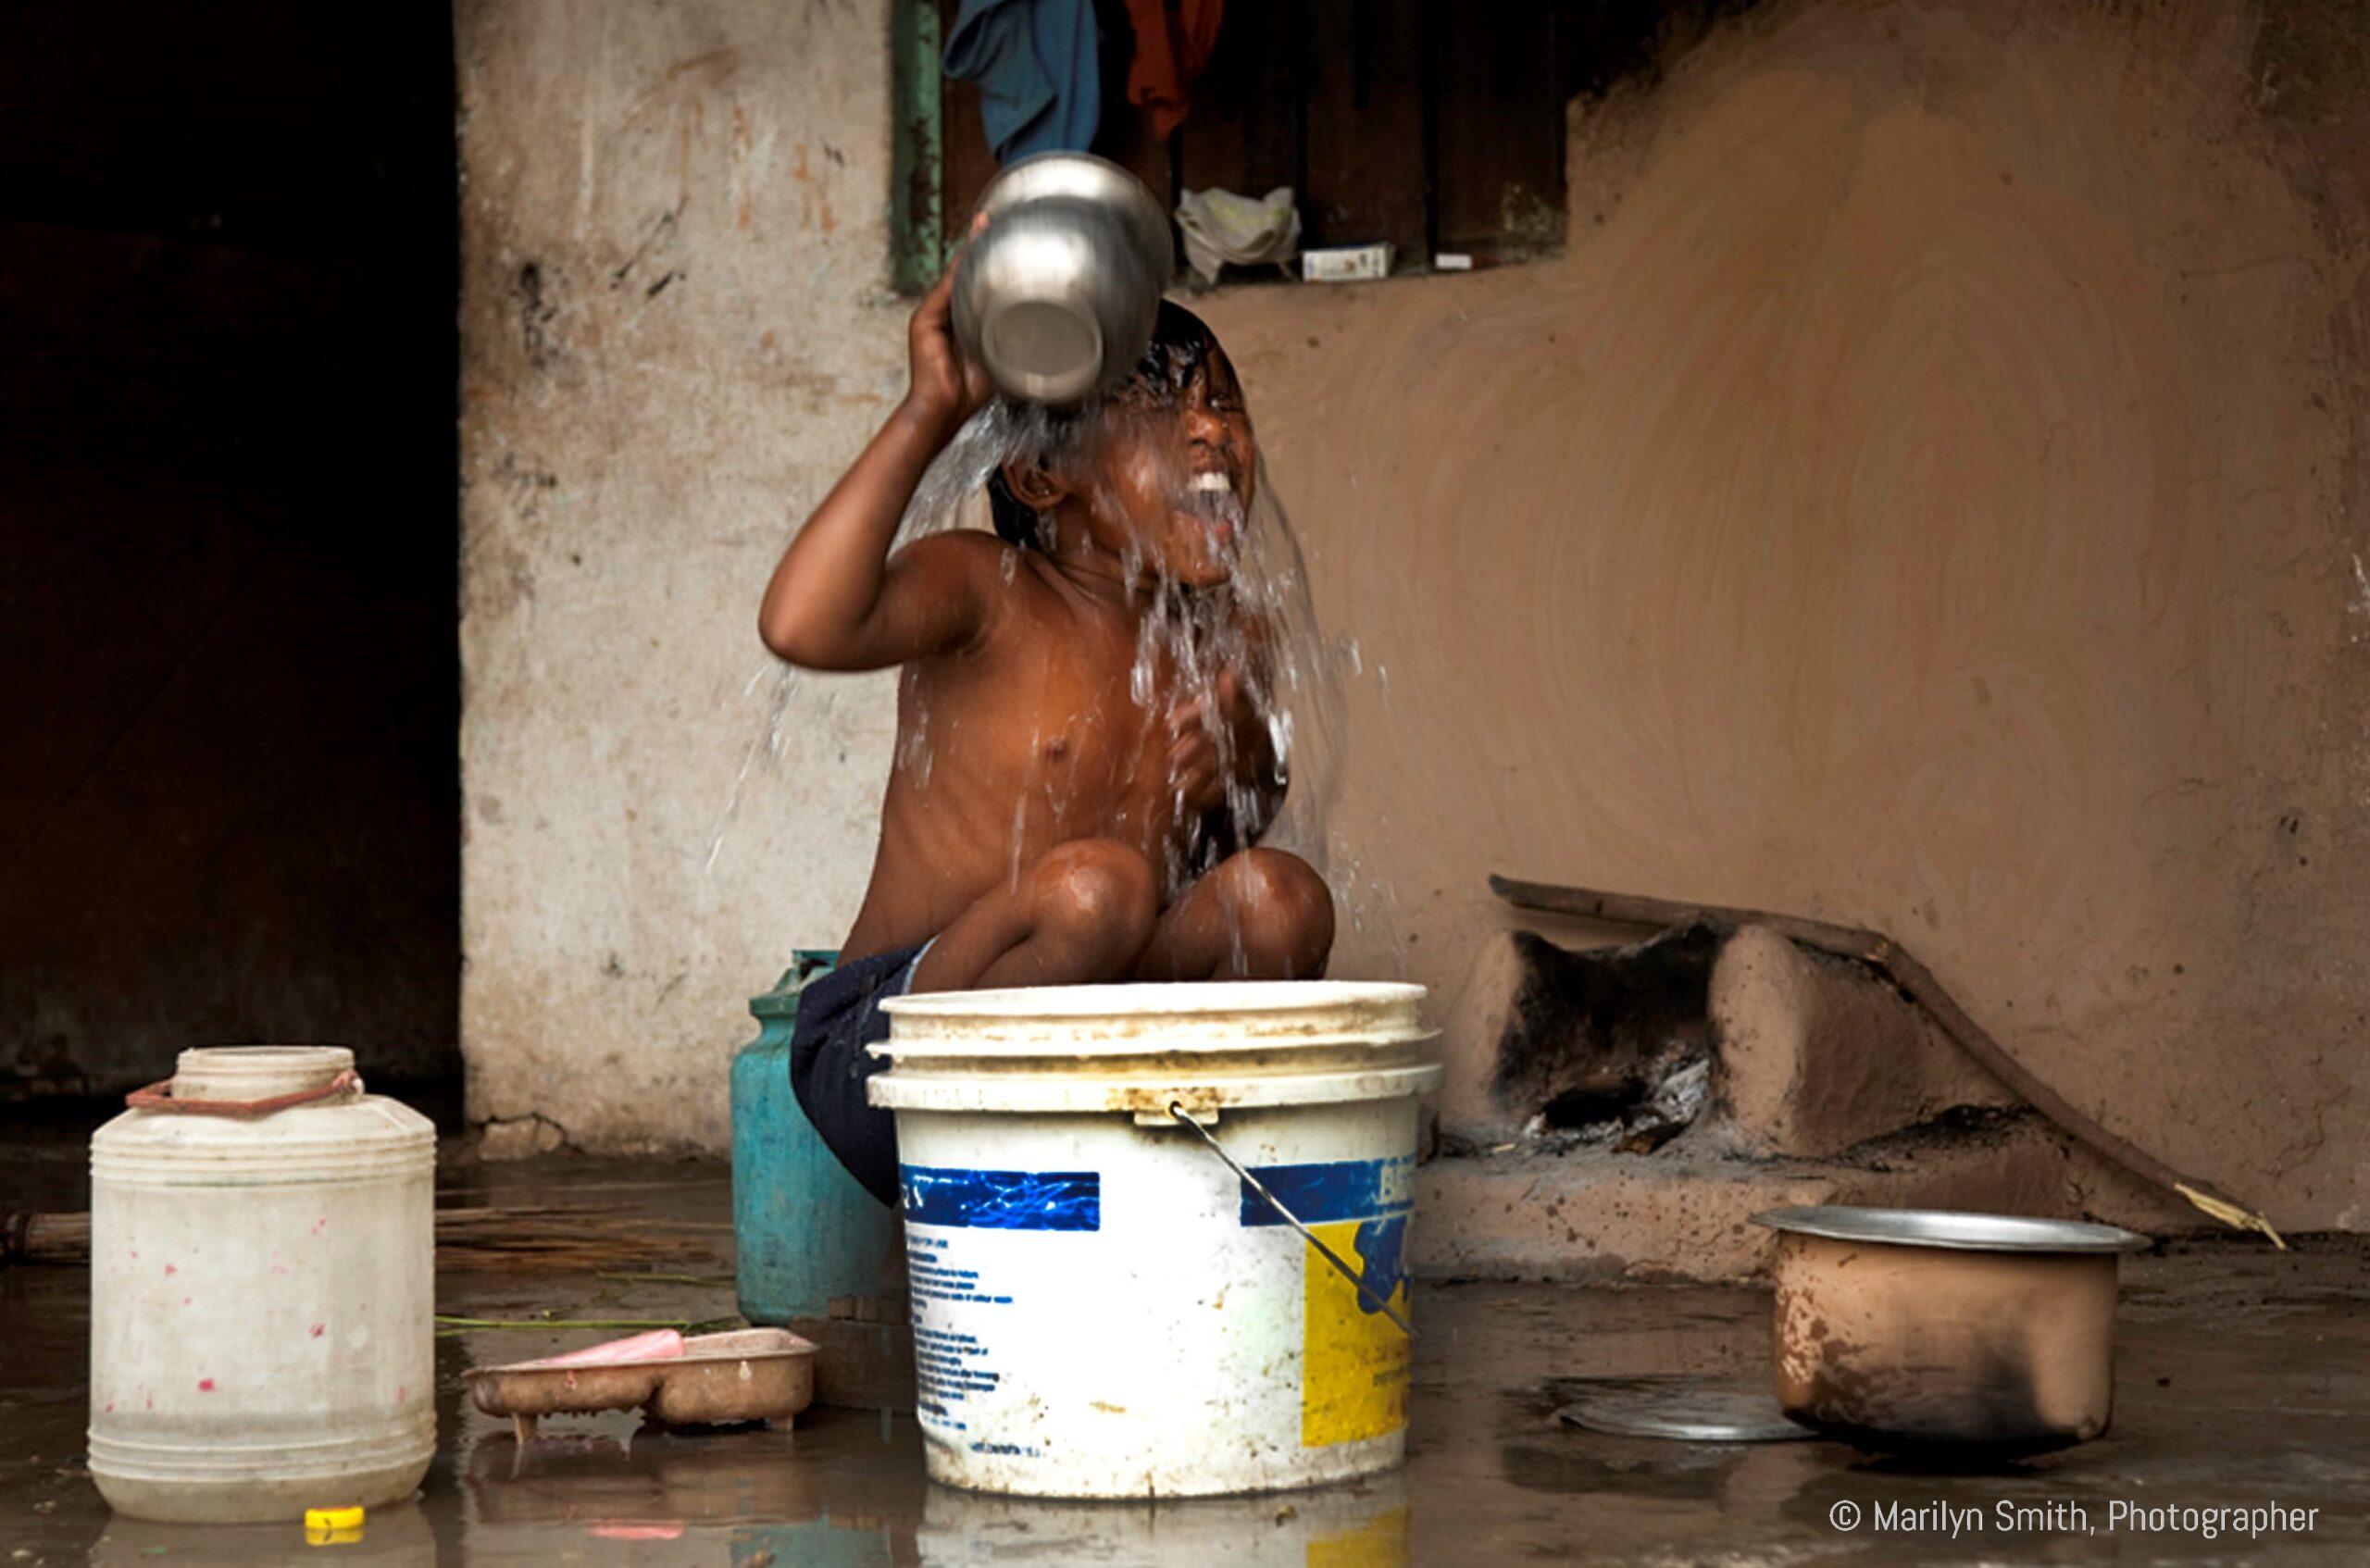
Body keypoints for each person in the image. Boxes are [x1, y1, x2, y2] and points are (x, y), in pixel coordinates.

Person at [757, 260, 1335, 1204]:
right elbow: (801, 624)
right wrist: (928, 410)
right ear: (1039, 473)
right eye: (1160, 408)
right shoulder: (988, 592)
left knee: (1278, 899)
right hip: (893, 1040)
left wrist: (1241, 749)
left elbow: (1234, 842)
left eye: (1225, 402)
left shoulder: (1226, 634)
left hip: (1080, 1035)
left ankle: (1163, 1191)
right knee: (1096, 888)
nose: (1212, 431)